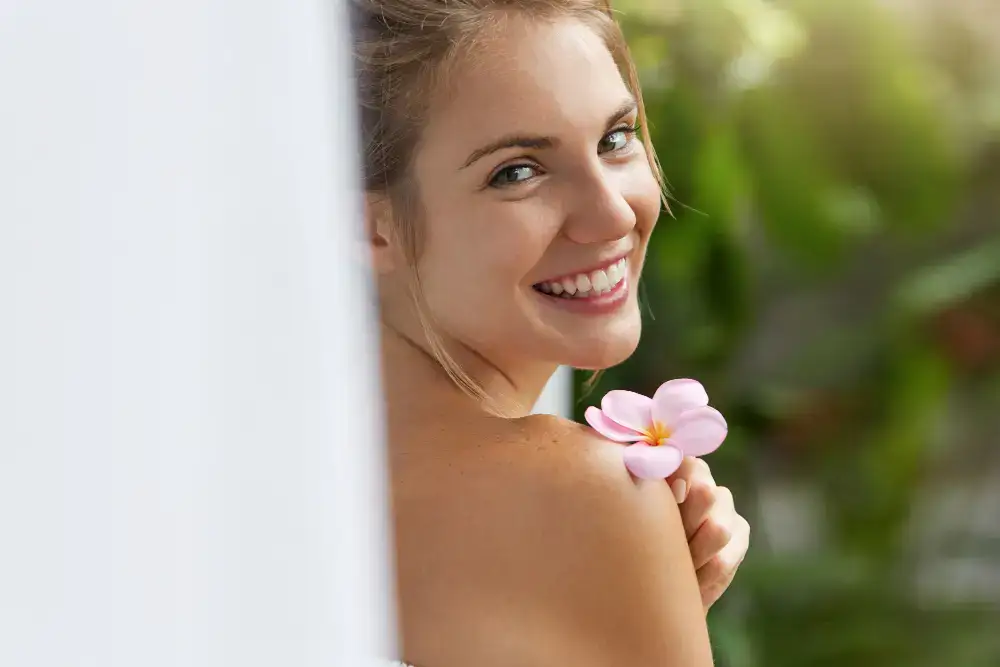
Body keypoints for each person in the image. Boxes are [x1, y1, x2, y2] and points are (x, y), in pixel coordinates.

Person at [353, 1, 751, 665]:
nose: (612, 212)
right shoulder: (587, 496)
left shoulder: (254, 475)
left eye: (616, 138)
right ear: (370, 227)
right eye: (517, 171)